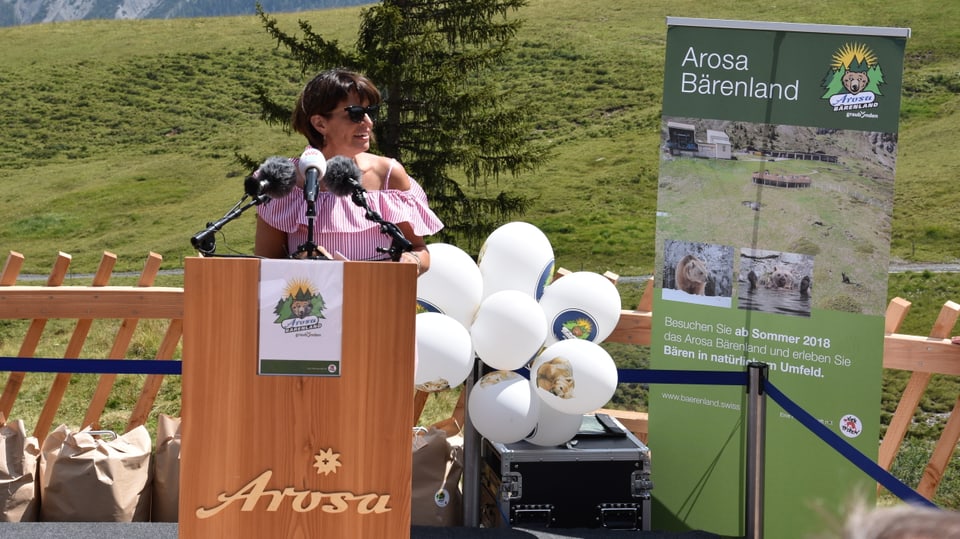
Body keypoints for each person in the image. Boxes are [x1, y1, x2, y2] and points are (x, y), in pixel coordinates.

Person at [254, 68, 443, 275]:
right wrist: (300, 262)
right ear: (320, 123)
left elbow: (419, 249)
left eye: (370, 112)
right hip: (311, 303)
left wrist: (411, 260)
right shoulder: (282, 181)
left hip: (376, 300)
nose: (369, 123)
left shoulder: (388, 175)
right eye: (356, 114)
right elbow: (265, 264)